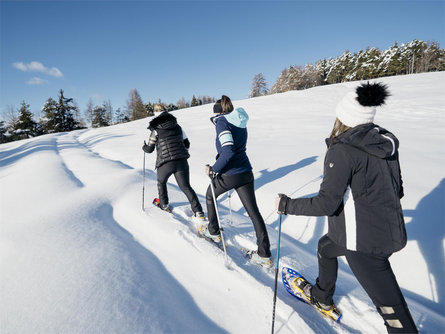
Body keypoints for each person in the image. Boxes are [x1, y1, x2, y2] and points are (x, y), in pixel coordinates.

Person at [276, 82, 418, 333]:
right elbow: (398, 190)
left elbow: (326, 203)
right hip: (387, 231)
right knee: (326, 247)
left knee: (393, 313)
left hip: (363, 245)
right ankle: (321, 296)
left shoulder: (342, 151)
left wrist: (287, 205)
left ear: (344, 116)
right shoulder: (384, 143)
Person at [200, 95, 272, 268]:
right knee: (254, 212)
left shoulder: (222, 122)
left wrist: (214, 169)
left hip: (231, 174)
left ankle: (214, 232)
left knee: (210, 195)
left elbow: (228, 151)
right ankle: (264, 254)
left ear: (217, 113)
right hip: (246, 172)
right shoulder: (239, 122)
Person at [143, 111, 205, 219]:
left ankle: (164, 205)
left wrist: (143, 146)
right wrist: (181, 152)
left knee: (161, 182)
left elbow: (149, 149)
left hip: (165, 163)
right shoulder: (178, 127)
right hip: (181, 161)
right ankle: (198, 211)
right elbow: (187, 144)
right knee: (186, 187)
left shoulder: (155, 130)